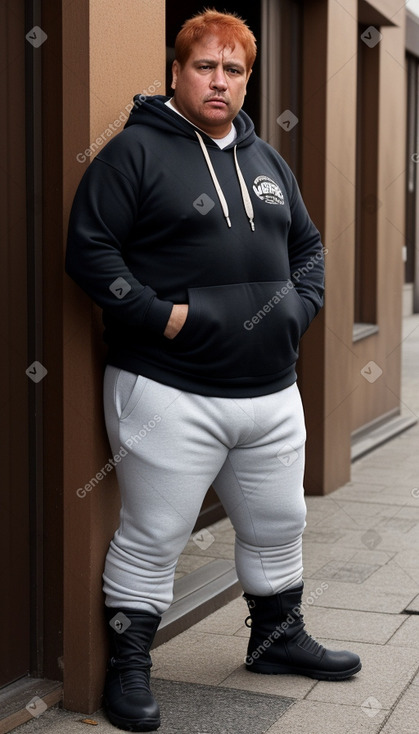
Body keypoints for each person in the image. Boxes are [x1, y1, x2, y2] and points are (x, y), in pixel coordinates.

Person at [66, 9, 361, 732]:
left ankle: (275, 637)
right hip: (167, 387)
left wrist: (298, 308)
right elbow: (89, 253)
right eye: (205, 66)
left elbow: (309, 246)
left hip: (270, 389)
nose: (219, 81)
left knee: (278, 519)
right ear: (177, 71)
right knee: (155, 533)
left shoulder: (266, 159)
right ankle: (130, 669)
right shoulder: (133, 152)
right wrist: (164, 316)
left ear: (246, 78)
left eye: (233, 69)